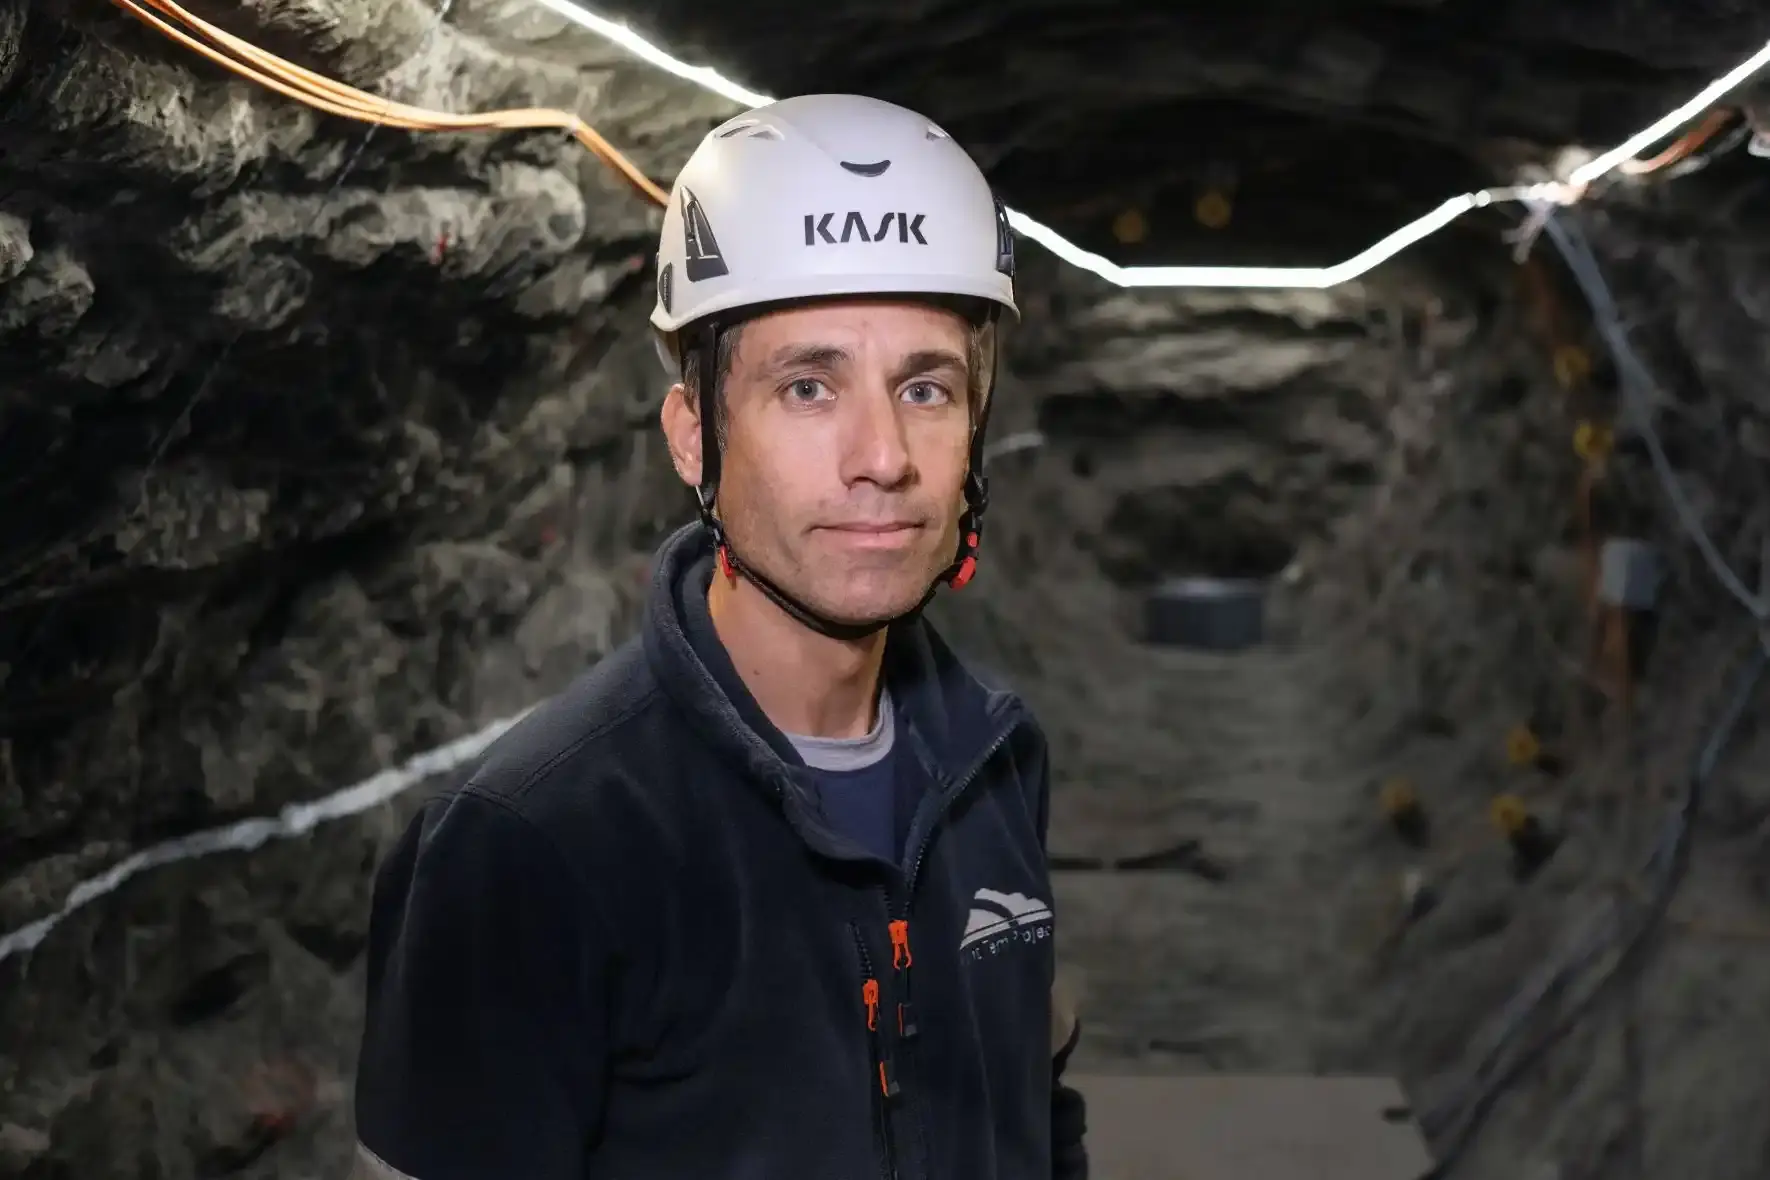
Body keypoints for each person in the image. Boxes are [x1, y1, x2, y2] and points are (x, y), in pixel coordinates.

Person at [351, 92, 1088, 1180]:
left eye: (925, 387)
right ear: (693, 434)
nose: (882, 455)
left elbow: (1037, 1115)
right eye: (807, 386)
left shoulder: (992, 759)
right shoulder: (530, 846)